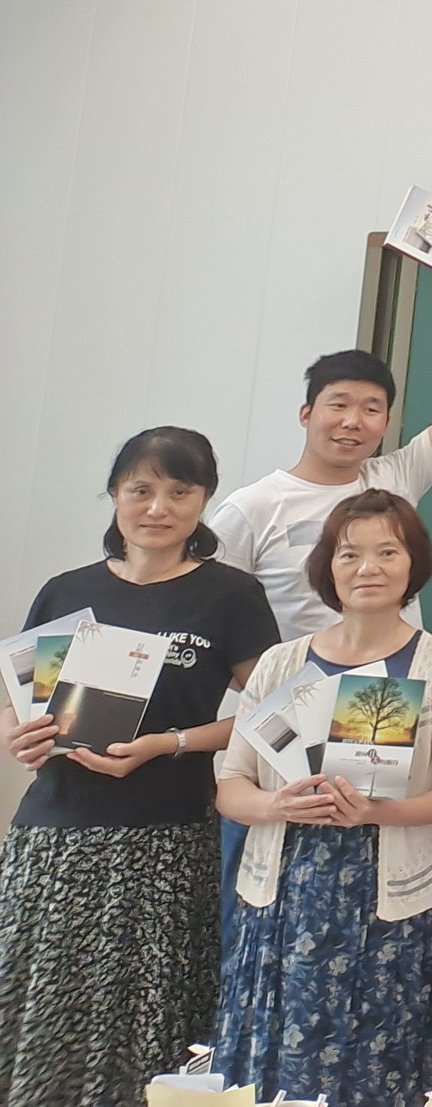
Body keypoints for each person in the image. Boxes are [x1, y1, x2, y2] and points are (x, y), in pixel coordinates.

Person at [0, 427, 277, 1107]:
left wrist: (168, 741)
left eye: (179, 491)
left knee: (148, 1012)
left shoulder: (230, 595)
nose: (158, 505)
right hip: (55, 831)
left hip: (165, 834)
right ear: (116, 494)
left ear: (204, 499)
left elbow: (271, 715)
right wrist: (20, 736)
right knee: (42, 996)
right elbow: (15, 696)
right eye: (140, 488)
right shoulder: (67, 589)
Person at [214, 491, 432, 1106]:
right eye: (349, 553)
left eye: (388, 551)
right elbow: (231, 787)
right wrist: (277, 806)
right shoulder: (281, 665)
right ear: (326, 568)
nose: (368, 567)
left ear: (413, 563)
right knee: (270, 1061)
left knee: (381, 1055)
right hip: (280, 894)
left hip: (388, 897)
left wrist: (377, 812)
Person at [208, 273, 432, 642]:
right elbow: (210, 612)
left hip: (394, 689)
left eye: (371, 409)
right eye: (339, 404)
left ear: (386, 422)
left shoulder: (396, 478)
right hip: (301, 690)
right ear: (306, 414)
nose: (352, 422)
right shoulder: (252, 508)